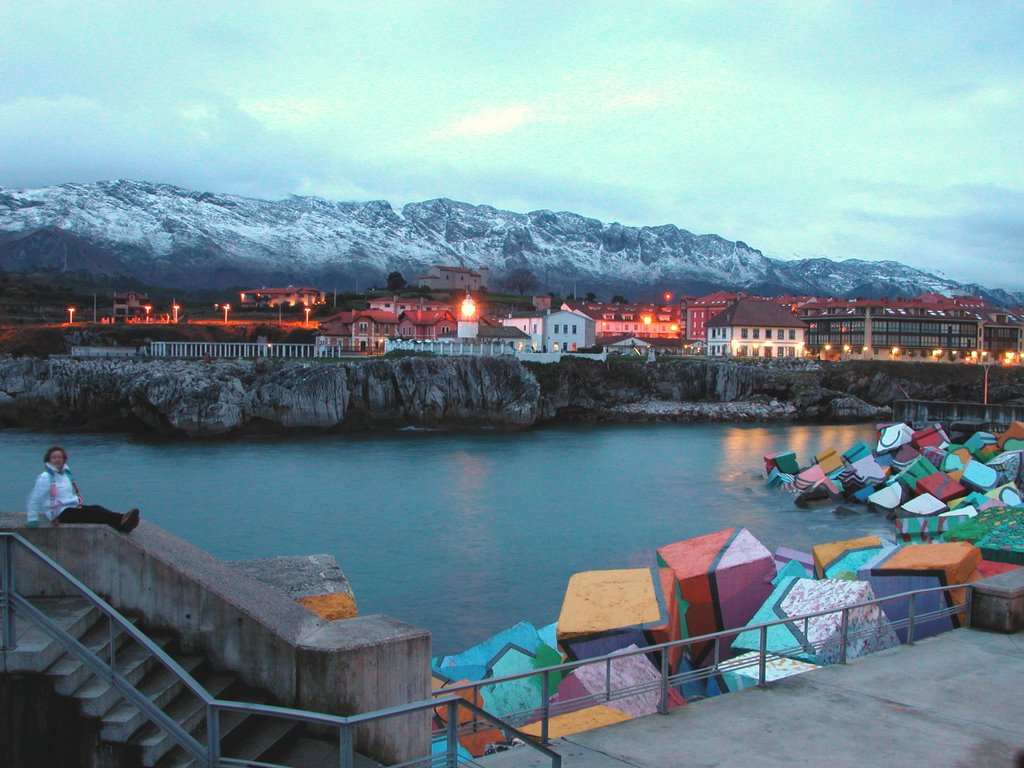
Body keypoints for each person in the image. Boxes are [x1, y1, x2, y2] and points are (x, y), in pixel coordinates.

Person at [26, 446, 140, 533]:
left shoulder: (65, 474)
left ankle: (122, 518)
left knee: (96, 507)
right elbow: (35, 499)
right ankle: (121, 526)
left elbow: (73, 492)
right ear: (49, 460)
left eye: (60, 457)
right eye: (54, 457)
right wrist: (32, 519)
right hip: (59, 513)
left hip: (70, 507)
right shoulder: (45, 477)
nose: (57, 460)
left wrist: (78, 503)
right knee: (92, 514)